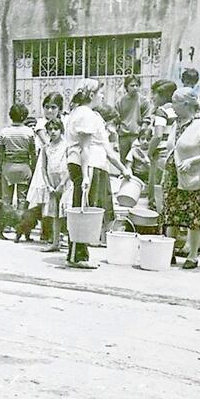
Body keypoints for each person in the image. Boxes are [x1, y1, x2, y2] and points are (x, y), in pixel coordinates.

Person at [64, 79, 131, 269]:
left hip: (94, 165)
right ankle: (78, 255)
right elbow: (85, 148)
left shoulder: (90, 115)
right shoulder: (85, 115)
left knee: (88, 209)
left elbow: (106, 148)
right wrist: (85, 175)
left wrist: (123, 168)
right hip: (87, 165)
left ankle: (78, 252)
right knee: (83, 209)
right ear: (91, 95)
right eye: (100, 93)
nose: (102, 96)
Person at [161, 88, 200, 269]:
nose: (172, 106)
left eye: (174, 102)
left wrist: (193, 161)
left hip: (194, 177)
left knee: (194, 217)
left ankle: (193, 255)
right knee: (170, 214)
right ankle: (169, 251)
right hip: (173, 175)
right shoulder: (177, 122)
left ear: (186, 104)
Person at [0, 103, 37, 208]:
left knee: (6, 199)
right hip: (24, 167)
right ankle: (20, 222)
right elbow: (33, 153)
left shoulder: (4, 132)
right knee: (22, 199)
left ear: (11, 115)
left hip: (8, 167)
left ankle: (7, 222)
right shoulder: (29, 132)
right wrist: (33, 168)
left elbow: (0, 154)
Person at [147, 80, 178, 210]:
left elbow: (158, 135)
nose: (152, 97)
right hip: (175, 153)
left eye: (155, 94)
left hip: (161, 154)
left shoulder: (161, 111)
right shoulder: (178, 109)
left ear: (164, 96)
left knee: (156, 191)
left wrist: (149, 151)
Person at [39, 119, 69, 252]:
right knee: (55, 214)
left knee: (67, 212)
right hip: (52, 183)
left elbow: (70, 166)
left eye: (55, 129)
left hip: (65, 182)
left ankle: (71, 242)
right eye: (50, 129)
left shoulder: (66, 146)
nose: (52, 132)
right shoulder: (46, 148)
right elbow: (43, 168)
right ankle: (55, 242)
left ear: (61, 130)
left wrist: (62, 183)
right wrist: (48, 185)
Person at [115, 76, 149, 161]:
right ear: (126, 86)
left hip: (137, 135)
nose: (135, 88)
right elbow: (116, 119)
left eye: (137, 85)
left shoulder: (143, 100)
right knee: (124, 160)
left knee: (137, 160)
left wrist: (142, 133)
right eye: (132, 85)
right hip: (123, 136)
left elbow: (146, 118)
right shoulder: (120, 101)